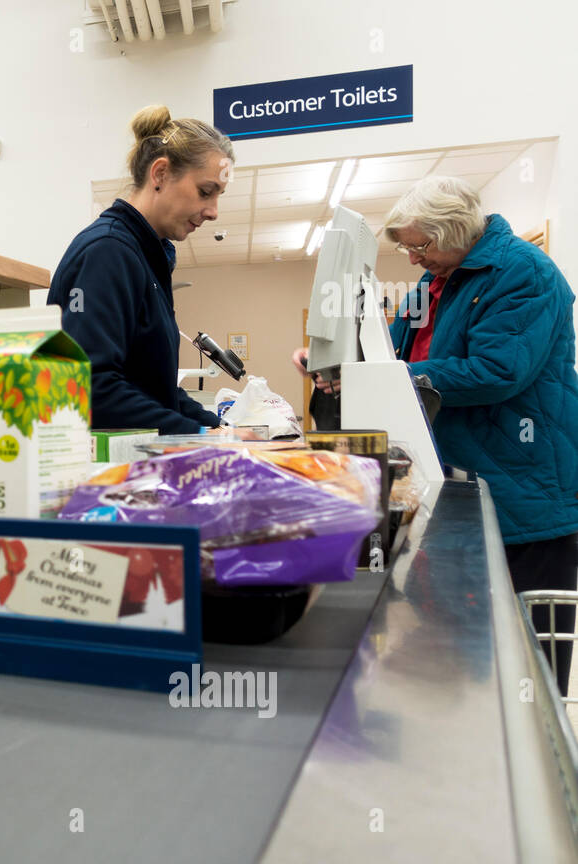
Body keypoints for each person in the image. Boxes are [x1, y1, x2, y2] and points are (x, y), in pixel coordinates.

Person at [298, 175, 578, 688]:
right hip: (463, 472)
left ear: (455, 229)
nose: (411, 258)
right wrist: (340, 368)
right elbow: (396, 353)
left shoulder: (523, 271)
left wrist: (387, 377)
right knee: (471, 651)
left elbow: (498, 370)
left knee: (529, 666)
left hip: (525, 486)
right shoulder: (435, 281)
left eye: (418, 245)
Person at [48, 105, 234, 434]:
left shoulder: (146, 256)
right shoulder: (108, 253)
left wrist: (222, 428)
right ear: (160, 174)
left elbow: (155, 389)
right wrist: (200, 436)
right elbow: (93, 391)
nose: (213, 211)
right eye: (205, 192)